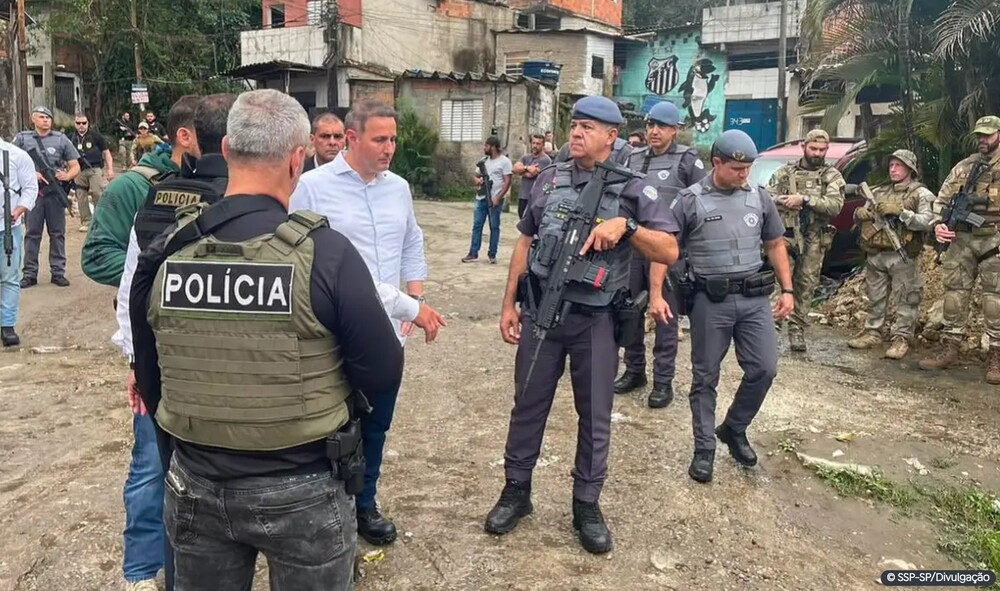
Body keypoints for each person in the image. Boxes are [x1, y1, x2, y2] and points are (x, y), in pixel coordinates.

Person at [130, 88, 404, 590]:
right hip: (303, 485)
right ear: (299, 159)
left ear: (227, 148)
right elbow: (383, 371)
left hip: (196, 480)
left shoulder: (167, 251)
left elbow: (149, 376)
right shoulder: (328, 254)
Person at [487, 96, 680, 554]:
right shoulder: (549, 179)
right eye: (574, 125)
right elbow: (524, 242)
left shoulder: (634, 188)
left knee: (594, 415)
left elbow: (669, 250)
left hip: (594, 320)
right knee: (527, 405)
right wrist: (509, 303)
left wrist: (627, 229)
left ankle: (586, 503)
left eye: (587, 127)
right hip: (541, 316)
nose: (576, 133)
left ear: (611, 137)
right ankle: (517, 490)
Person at [290, 97, 446, 546]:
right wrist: (411, 307)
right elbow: (310, 262)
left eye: (393, 139)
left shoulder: (397, 187)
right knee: (330, 426)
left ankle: (364, 505)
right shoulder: (313, 187)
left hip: (387, 333)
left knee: (376, 424)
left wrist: (414, 297)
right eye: (380, 139)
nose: (389, 148)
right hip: (330, 332)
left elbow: (412, 242)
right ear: (351, 138)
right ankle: (322, 513)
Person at [81, 94, 201, 591]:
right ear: (185, 137)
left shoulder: (219, 184)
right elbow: (97, 255)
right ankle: (138, 570)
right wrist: (157, 282)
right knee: (151, 464)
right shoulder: (135, 187)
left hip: (198, 350)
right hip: (151, 346)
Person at [670, 129, 794, 483]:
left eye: (748, 169)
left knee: (764, 369)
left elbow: (774, 244)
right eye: (737, 169)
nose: (744, 176)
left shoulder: (759, 197)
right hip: (711, 302)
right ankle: (704, 449)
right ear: (717, 163)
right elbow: (666, 248)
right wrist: (662, 290)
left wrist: (787, 289)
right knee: (705, 377)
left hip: (754, 300)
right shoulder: (689, 200)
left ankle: (734, 427)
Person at [615, 101, 706, 408]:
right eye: (651, 125)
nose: (654, 132)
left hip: (668, 253)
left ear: (674, 130)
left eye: (662, 127)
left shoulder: (687, 161)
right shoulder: (633, 157)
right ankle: (634, 370)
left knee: (665, 316)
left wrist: (689, 251)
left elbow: (700, 205)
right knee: (629, 312)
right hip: (634, 247)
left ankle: (663, 381)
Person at [921, 115, 1000, 382]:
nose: (983, 140)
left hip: (995, 240)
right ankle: (951, 346)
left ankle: (996, 356)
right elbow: (942, 200)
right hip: (962, 241)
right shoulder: (965, 167)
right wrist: (938, 225)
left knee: (995, 300)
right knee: (954, 294)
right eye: (980, 134)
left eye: (988, 135)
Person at [847, 149, 935, 359]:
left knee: (906, 297)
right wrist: (859, 214)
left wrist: (901, 213)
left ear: (910, 169)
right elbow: (862, 213)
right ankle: (872, 332)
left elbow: (929, 222)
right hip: (876, 253)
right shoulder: (878, 191)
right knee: (875, 296)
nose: (893, 169)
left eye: (899, 166)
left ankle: (902, 337)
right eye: (891, 166)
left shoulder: (921, 194)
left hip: (902, 254)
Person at [766, 129, 845, 352]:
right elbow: (765, 197)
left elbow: (835, 205)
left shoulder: (831, 176)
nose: (817, 153)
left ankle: (797, 329)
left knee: (806, 284)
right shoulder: (785, 172)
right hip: (787, 235)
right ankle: (772, 327)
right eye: (814, 148)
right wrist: (781, 200)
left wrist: (806, 199)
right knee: (781, 280)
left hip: (815, 237)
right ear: (804, 147)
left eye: (822, 149)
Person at [15, 106, 80, 288]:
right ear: (33, 119)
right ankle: (29, 274)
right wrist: (30, 174)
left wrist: (67, 176)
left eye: (48, 118)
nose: (46, 120)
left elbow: (75, 165)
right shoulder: (22, 139)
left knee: (57, 234)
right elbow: (11, 162)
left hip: (54, 193)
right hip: (33, 193)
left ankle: (58, 272)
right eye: (42, 117)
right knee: (32, 233)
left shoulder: (61, 139)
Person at [0, 134, 39, 347]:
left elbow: (30, 188)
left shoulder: (16, 155)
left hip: (7, 227)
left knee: (9, 277)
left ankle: (7, 325)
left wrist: (20, 209)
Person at [462, 136, 512, 264]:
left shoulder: (505, 162)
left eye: (486, 146)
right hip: (481, 198)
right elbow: (475, 176)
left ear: (493, 147)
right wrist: (477, 180)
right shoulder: (484, 161)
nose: (484, 148)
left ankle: (492, 254)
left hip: (495, 200)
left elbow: (507, 182)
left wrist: (498, 197)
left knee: (494, 227)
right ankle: (473, 253)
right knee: (477, 225)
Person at [71, 113, 115, 231]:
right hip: (78, 170)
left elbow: (106, 153)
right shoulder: (71, 138)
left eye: (84, 123)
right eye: (78, 123)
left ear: (88, 123)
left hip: (95, 169)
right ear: (74, 124)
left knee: (97, 193)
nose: (81, 125)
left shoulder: (96, 136)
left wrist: (110, 169)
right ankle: (86, 222)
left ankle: (100, 221)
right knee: (81, 195)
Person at [512, 134, 552, 219]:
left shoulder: (545, 160)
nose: (535, 146)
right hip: (523, 196)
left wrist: (521, 171)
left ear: (543, 145)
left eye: (538, 144)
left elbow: (531, 174)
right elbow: (514, 169)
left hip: (535, 197)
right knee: (521, 220)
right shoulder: (526, 157)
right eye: (533, 143)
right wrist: (527, 168)